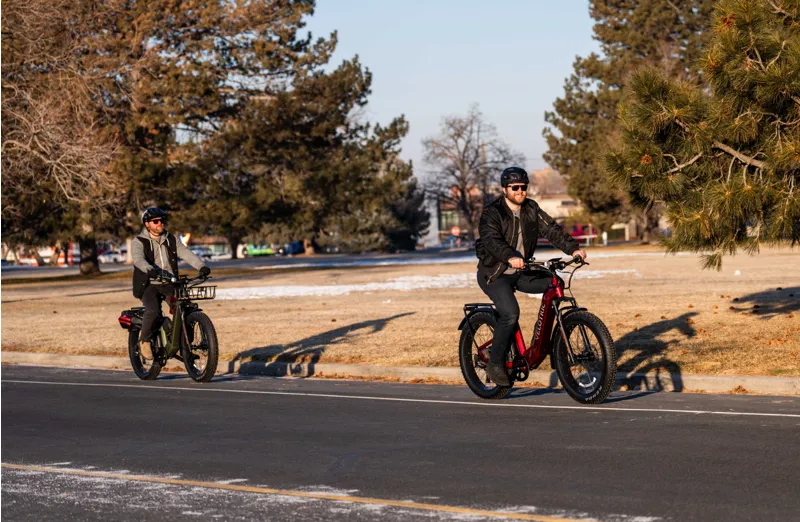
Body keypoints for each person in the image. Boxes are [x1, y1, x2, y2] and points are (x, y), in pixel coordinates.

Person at [474, 167, 586, 386]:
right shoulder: (492, 213)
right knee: (510, 313)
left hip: (521, 272)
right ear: (504, 189)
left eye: (523, 187)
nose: (520, 191)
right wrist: (510, 256)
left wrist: (573, 249)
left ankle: (541, 342)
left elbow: (551, 230)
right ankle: (495, 363)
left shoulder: (531, 208)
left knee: (554, 283)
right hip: (495, 274)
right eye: (514, 187)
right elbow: (491, 240)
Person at [131, 207, 211, 360]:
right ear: (147, 224)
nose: (160, 223)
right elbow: (138, 259)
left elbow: (186, 253)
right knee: (153, 310)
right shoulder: (139, 242)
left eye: (162, 220)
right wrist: (149, 269)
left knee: (184, 307)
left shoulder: (171, 239)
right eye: (155, 221)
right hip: (149, 283)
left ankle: (182, 342)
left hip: (170, 282)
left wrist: (201, 266)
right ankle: (144, 341)